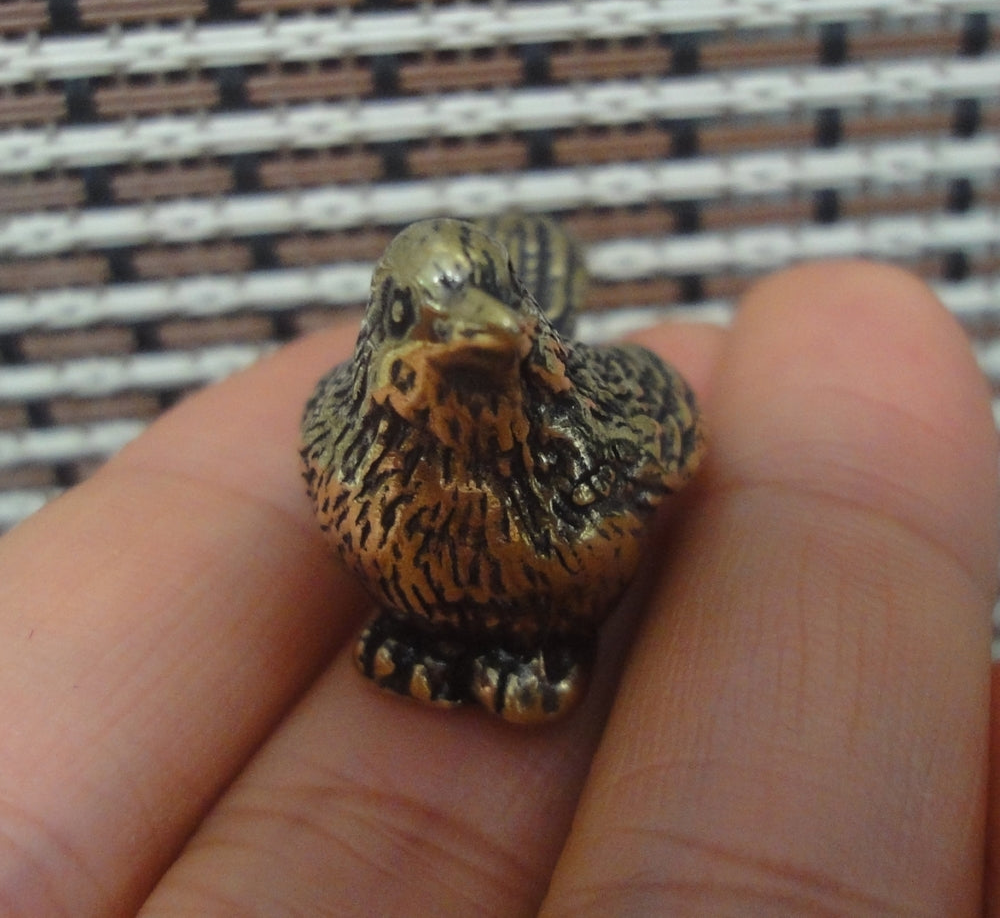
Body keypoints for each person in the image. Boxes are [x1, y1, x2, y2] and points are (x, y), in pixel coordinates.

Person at [0, 260, 995, 915]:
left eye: (490, 311)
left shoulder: (581, 426)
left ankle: (543, 644)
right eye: (422, 319)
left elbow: (661, 440)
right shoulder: (337, 441)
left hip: (562, 596)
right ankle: (425, 633)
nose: (464, 333)